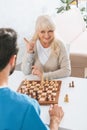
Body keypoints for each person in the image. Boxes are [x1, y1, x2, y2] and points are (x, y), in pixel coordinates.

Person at [0, 28, 64, 130]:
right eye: (42, 31)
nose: (46, 35)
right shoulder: (26, 106)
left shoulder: (59, 46)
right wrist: (55, 121)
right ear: (13, 60)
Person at [21, 15, 71, 80]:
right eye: (42, 32)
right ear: (37, 32)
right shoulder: (32, 44)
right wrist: (30, 52)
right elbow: (26, 72)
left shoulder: (60, 45)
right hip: (37, 85)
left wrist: (44, 76)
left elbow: (67, 71)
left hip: (56, 85)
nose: (46, 35)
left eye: (50, 31)